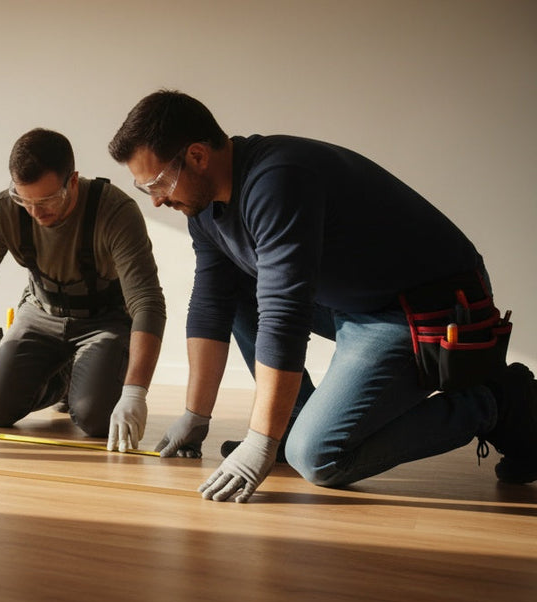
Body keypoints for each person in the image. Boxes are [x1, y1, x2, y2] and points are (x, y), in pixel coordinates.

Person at [107, 89, 536, 502]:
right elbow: (210, 304)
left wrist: (261, 441)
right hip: (354, 301)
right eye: (146, 190)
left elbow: (283, 316)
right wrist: (195, 416)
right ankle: (290, 422)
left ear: (198, 156)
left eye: (157, 183)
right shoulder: (204, 209)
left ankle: (496, 402)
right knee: (233, 289)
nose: (157, 200)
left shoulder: (277, 181)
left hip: (416, 307)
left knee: (318, 458)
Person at [0, 128, 165, 450]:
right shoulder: (4, 211)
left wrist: (136, 391)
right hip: (40, 314)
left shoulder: (116, 213)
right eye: (24, 200)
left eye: (48, 199)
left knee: (94, 419)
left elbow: (147, 302)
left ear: (73, 181)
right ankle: (62, 379)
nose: (35, 212)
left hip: (104, 321)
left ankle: (87, 379)